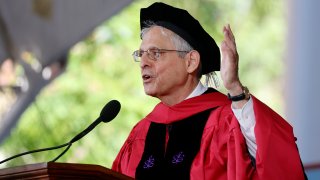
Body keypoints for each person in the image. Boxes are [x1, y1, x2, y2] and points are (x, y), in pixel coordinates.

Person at [112, 2, 306, 180]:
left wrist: (235, 88)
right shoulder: (141, 132)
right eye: (141, 54)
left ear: (191, 62)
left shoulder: (228, 119)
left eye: (155, 53)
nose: (143, 63)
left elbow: (275, 161)